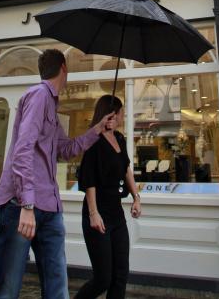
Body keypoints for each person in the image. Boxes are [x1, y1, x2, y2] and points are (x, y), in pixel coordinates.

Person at [0, 49, 117, 299]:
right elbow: (22, 150)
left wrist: (98, 129)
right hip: (23, 206)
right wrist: (27, 204)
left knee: (57, 285)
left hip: (50, 208)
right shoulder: (39, 95)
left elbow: (66, 150)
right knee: (6, 288)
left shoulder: (52, 109)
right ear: (64, 68)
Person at [74, 95, 142, 299]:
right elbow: (89, 180)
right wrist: (94, 213)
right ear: (112, 114)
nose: (122, 117)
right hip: (98, 216)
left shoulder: (119, 138)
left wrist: (136, 197)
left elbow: (126, 169)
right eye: (121, 112)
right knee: (103, 278)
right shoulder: (93, 140)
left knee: (120, 275)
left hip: (116, 215)